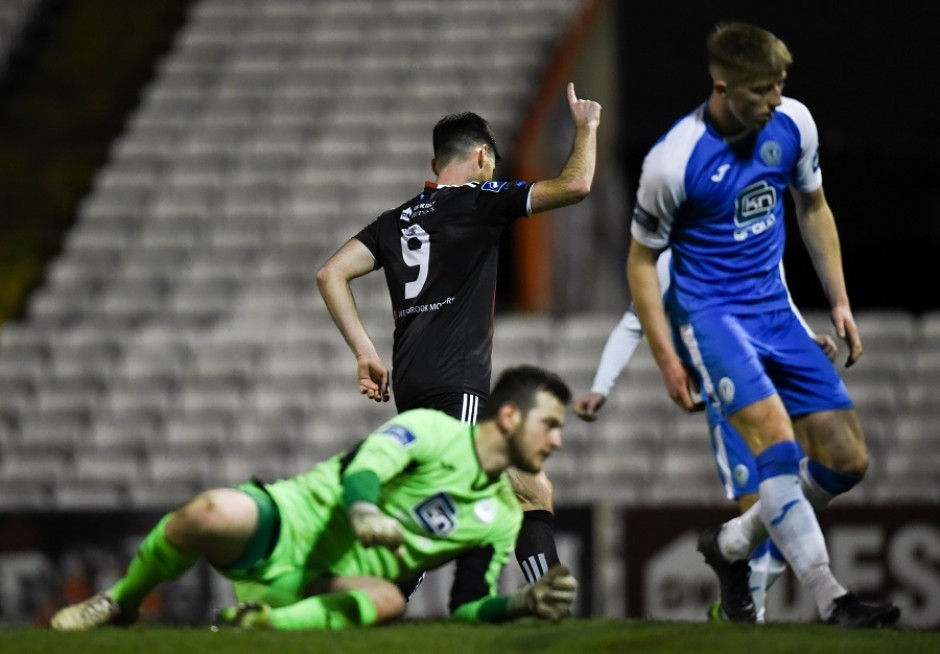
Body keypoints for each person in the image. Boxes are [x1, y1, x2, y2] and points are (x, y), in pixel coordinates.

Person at [625, 22, 900, 628]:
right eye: (762, 91)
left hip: (777, 312)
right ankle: (834, 600)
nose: (775, 100)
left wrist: (841, 302)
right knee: (776, 451)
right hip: (713, 320)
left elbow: (814, 206)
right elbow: (642, 264)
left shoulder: (793, 123)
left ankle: (727, 546)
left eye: (781, 86)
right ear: (723, 87)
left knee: (847, 460)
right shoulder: (673, 161)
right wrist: (669, 359)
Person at [316, 82, 602, 587]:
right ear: (482, 157)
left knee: (529, 489)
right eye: (490, 163)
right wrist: (587, 128)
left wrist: (365, 352)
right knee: (442, 511)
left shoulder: (395, 219)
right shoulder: (481, 199)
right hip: (457, 381)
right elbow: (575, 185)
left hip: (412, 382)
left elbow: (330, 273)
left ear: (434, 167)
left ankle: (548, 607)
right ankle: (340, 598)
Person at [50, 365, 579, 631]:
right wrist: (365, 510)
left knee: (390, 600)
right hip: (290, 522)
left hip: (321, 583)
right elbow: (364, 469)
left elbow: (465, 606)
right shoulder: (432, 429)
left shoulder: (502, 518)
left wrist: (521, 603)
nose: (556, 440)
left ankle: (262, 624)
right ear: (509, 417)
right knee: (206, 511)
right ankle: (122, 600)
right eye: (549, 425)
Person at [574, 248, 838, 623]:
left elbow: (782, 299)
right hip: (728, 398)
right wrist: (600, 388)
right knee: (765, 510)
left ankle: (741, 610)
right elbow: (633, 323)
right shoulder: (672, 261)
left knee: (777, 512)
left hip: (775, 390)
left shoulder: (762, 238)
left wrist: (807, 339)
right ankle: (757, 614)